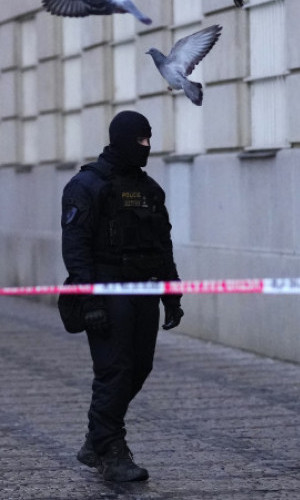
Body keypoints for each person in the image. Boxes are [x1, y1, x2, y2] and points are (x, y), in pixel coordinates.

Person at [60, 110, 183, 482]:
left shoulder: (149, 190)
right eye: (141, 141)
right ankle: (111, 450)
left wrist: (171, 294)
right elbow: (76, 248)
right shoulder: (87, 186)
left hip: (144, 288)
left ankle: (96, 439)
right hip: (107, 290)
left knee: (139, 367)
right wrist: (91, 300)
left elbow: (163, 244)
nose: (147, 147)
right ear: (124, 140)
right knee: (114, 371)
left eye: (150, 140)